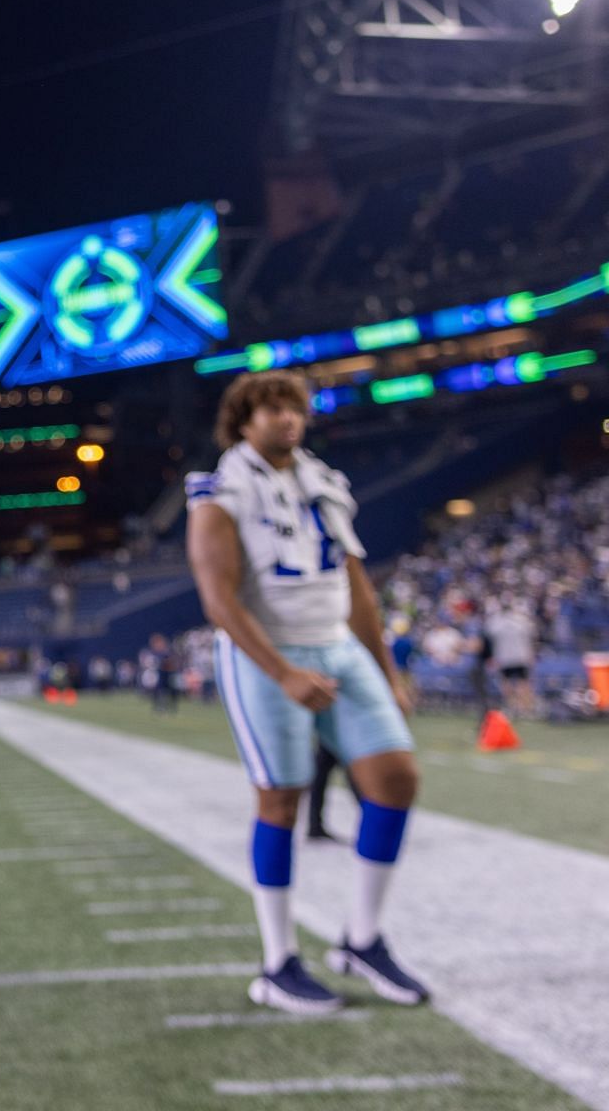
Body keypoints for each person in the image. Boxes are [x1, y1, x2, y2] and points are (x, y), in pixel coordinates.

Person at [187, 372, 428, 1015]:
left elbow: (359, 589)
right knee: (281, 801)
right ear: (243, 421)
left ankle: (362, 938)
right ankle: (277, 962)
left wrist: (385, 669)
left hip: (337, 645)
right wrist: (283, 672)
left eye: (294, 407)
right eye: (271, 408)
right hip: (266, 651)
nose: (287, 419)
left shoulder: (324, 481)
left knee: (396, 778)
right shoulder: (220, 491)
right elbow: (219, 600)